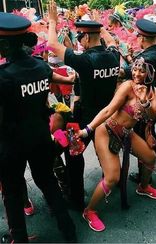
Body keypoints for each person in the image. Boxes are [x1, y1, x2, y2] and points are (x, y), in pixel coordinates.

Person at [0, 12, 77, 243]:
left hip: (11, 144)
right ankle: (69, 230)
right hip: (40, 137)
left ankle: (19, 239)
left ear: (4, 44)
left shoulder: (3, 76)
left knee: (12, 193)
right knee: (47, 181)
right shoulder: (40, 67)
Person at [48, 0, 120, 210]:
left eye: (81, 39)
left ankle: (76, 198)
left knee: (73, 157)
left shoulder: (85, 61)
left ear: (86, 37)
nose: (80, 44)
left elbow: (52, 45)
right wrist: (99, 26)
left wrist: (52, 22)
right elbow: (111, 41)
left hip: (84, 119)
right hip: (107, 118)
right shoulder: (114, 56)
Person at [78, 57, 156, 232]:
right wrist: (87, 130)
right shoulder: (127, 86)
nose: (137, 74)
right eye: (135, 69)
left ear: (150, 73)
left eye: (142, 70)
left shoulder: (152, 91)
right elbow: (108, 110)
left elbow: (154, 115)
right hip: (107, 131)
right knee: (112, 178)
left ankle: (144, 186)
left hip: (126, 133)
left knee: (150, 157)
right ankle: (89, 211)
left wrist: (144, 101)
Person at [125, 18, 156, 183]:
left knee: (142, 138)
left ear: (142, 38)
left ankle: (145, 177)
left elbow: (132, 74)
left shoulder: (145, 58)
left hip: (145, 101)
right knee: (150, 134)